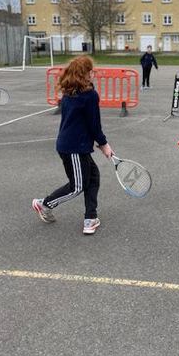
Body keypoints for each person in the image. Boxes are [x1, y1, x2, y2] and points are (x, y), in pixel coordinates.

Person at [32, 56, 113, 235]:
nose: (94, 73)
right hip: (74, 147)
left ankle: (90, 218)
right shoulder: (89, 94)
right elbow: (94, 124)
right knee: (78, 186)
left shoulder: (70, 91)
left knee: (93, 177)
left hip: (75, 144)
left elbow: (81, 122)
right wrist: (104, 144)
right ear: (85, 73)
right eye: (92, 70)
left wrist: (96, 141)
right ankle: (44, 204)